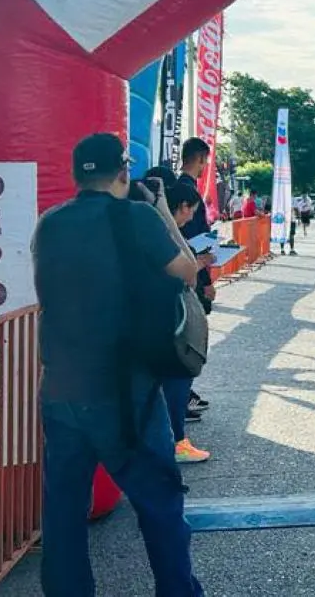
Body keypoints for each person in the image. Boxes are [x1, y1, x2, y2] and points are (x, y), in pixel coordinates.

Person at [32, 133, 204, 596]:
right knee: (159, 503)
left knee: (64, 511)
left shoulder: (49, 224)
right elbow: (188, 270)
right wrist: (162, 208)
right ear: (124, 172)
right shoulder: (138, 216)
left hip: (61, 386)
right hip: (126, 391)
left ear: (75, 174)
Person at [143, 167, 213, 464]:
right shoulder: (155, 223)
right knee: (178, 371)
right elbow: (184, 273)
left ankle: (164, 440)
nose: (188, 219)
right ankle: (176, 441)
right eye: (190, 212)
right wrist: (199, 264)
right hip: (165, 315)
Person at [176, 138, 214, 418]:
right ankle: (182, 396)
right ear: (200, 158)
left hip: (179, 267)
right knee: (190, 336)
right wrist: (208, 279)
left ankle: (182, 394)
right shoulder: (189, 193)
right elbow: (200, 241)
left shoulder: (173, 188)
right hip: (191, 270)